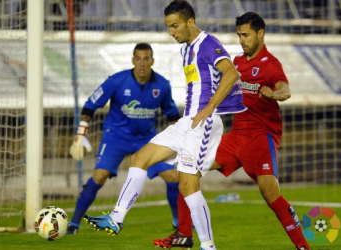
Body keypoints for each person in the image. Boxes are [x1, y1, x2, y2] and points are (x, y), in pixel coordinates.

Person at [83, 1, 246, 250]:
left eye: (175, 26)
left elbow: (231, 73)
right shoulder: (186, 49)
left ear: (190, 22)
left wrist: (209, 107)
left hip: (203, 123)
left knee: (188, 185)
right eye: (168, 27)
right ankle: (116, 218)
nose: (171, 32)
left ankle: (208, 246)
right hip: (186, 123)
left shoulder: (208, 43)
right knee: (139, 158)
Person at [153, 12, 311, 250]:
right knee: (188, 170)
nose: (241, 40)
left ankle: (302, 246)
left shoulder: (271, 64)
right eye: (239, 35)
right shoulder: (235, 63)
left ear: (260, 34)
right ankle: (184, 235)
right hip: (236, 137)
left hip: (260, 138)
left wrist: (274, 93)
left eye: (246, 35)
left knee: (271, 195)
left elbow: (285, 90)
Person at [67, 42, 181, 234]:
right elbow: (91, 105)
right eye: (138, 59)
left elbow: (172, 117)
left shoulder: (162, 85)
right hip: (116, 137)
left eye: (146, 59)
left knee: (172, 176)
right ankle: (74, 223)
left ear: (152, 61)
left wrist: (179, 143)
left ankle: (179, 223)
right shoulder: (116, 81)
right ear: (132, 60)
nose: (142, 64)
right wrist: (81, 132)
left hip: (147, 139)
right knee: (99, 176)